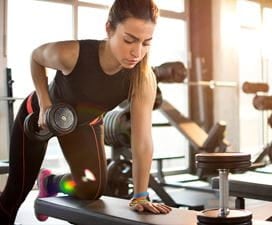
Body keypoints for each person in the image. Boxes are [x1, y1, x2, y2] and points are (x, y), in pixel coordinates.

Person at [0, 0, 180, 224]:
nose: (137, 52)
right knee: (17, 190)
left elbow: (142, 140)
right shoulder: (73, 53)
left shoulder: (142, 79)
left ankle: (51, 183)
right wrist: (45, 103)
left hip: (83, 124)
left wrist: (140, 195)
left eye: (146, 43)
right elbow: (36, 57)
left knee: (91, 188)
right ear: (109, 29)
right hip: (39, 116)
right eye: (129, 40)